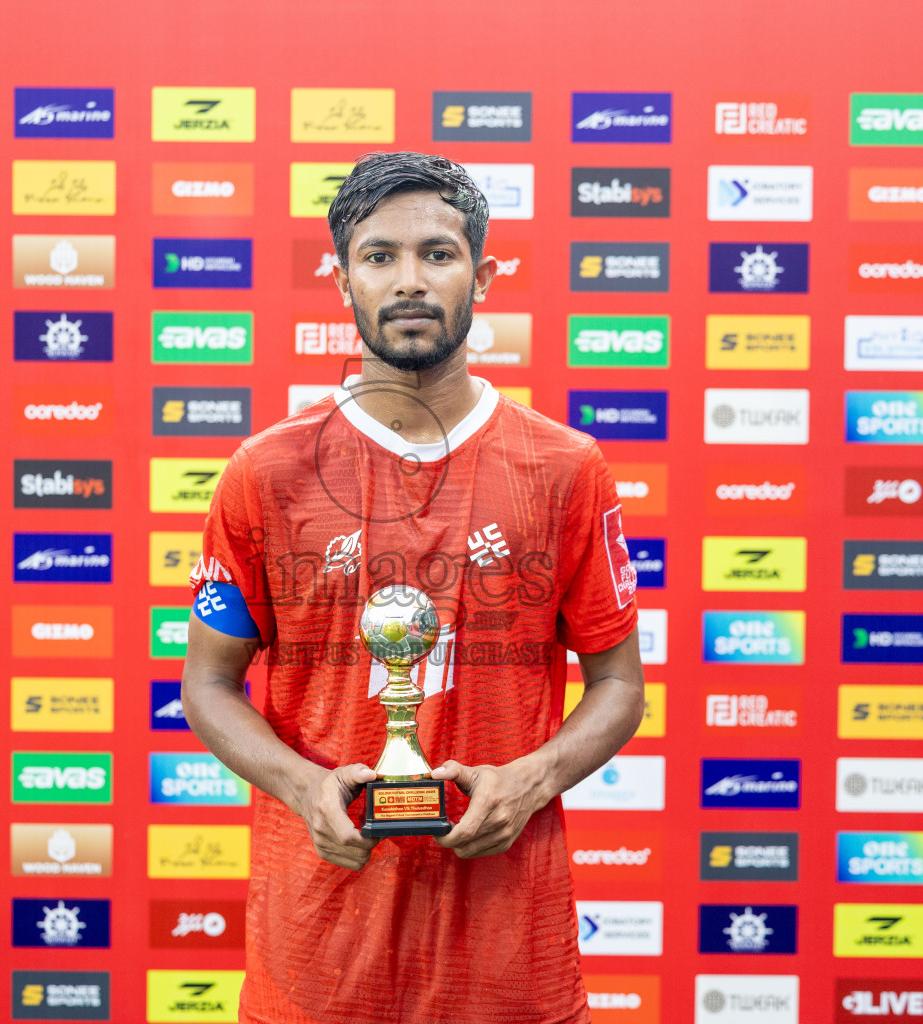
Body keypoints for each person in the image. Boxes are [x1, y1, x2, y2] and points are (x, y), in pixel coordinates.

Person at [182, 151, 646, 1024]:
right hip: (318, 956)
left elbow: (619, 684)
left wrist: (532, 779)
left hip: (508, 953)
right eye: (378, 255)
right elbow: (207, 683)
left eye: (438, 254)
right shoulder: (267, 471)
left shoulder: (566, 467)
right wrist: (298, 785)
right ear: (341, 277)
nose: (409, 281)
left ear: (484, 274)